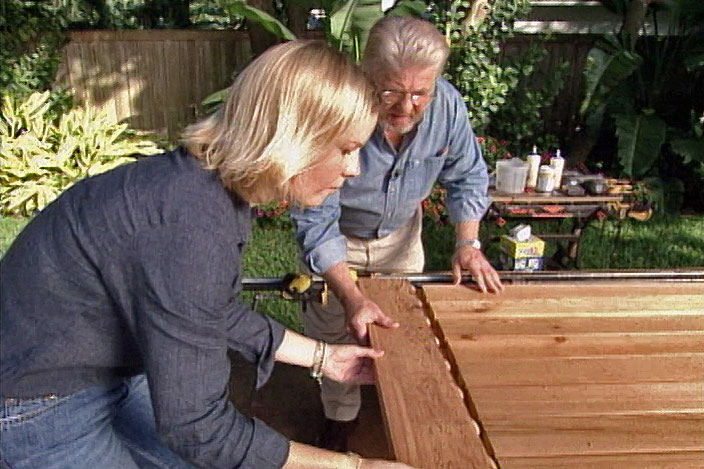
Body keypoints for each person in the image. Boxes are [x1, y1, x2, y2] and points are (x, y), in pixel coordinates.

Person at [0, 40, 416, 469]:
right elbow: (197, 429)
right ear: (294, 136)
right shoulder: (188, 224)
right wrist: (354, 466)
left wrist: (324, 357)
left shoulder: (206, 188)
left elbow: (206, 310)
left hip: (102, 370)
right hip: (35, 400)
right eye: (346, 149)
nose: (354, 170)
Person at [291, 17, 504, 451]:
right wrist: (352, 297)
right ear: (367, 73)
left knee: (402, 334)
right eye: (391, 91)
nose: (406, 107)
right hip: (338, 238)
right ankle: (336, 430)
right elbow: (315, 217)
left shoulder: (447, 106)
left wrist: (467, 243)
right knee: (335, 336)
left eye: (419, 93)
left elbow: (467, 176)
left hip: (402, 236)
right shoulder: (334, 111)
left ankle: (397, 423)